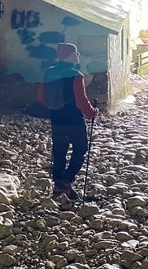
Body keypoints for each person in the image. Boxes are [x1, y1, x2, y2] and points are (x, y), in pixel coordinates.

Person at [37, 42, 98, 199]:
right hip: (74, 120)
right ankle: (67, 181)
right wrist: (92, 113)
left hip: (56, 119)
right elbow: (81, 100)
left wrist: (54, 107)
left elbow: (41, 96)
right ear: (70, 56)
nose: (78, 55)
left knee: (59, 151)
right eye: (76, 53)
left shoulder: (49, 72)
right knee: (80, 149)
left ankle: (58, 185)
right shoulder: (76, 75)